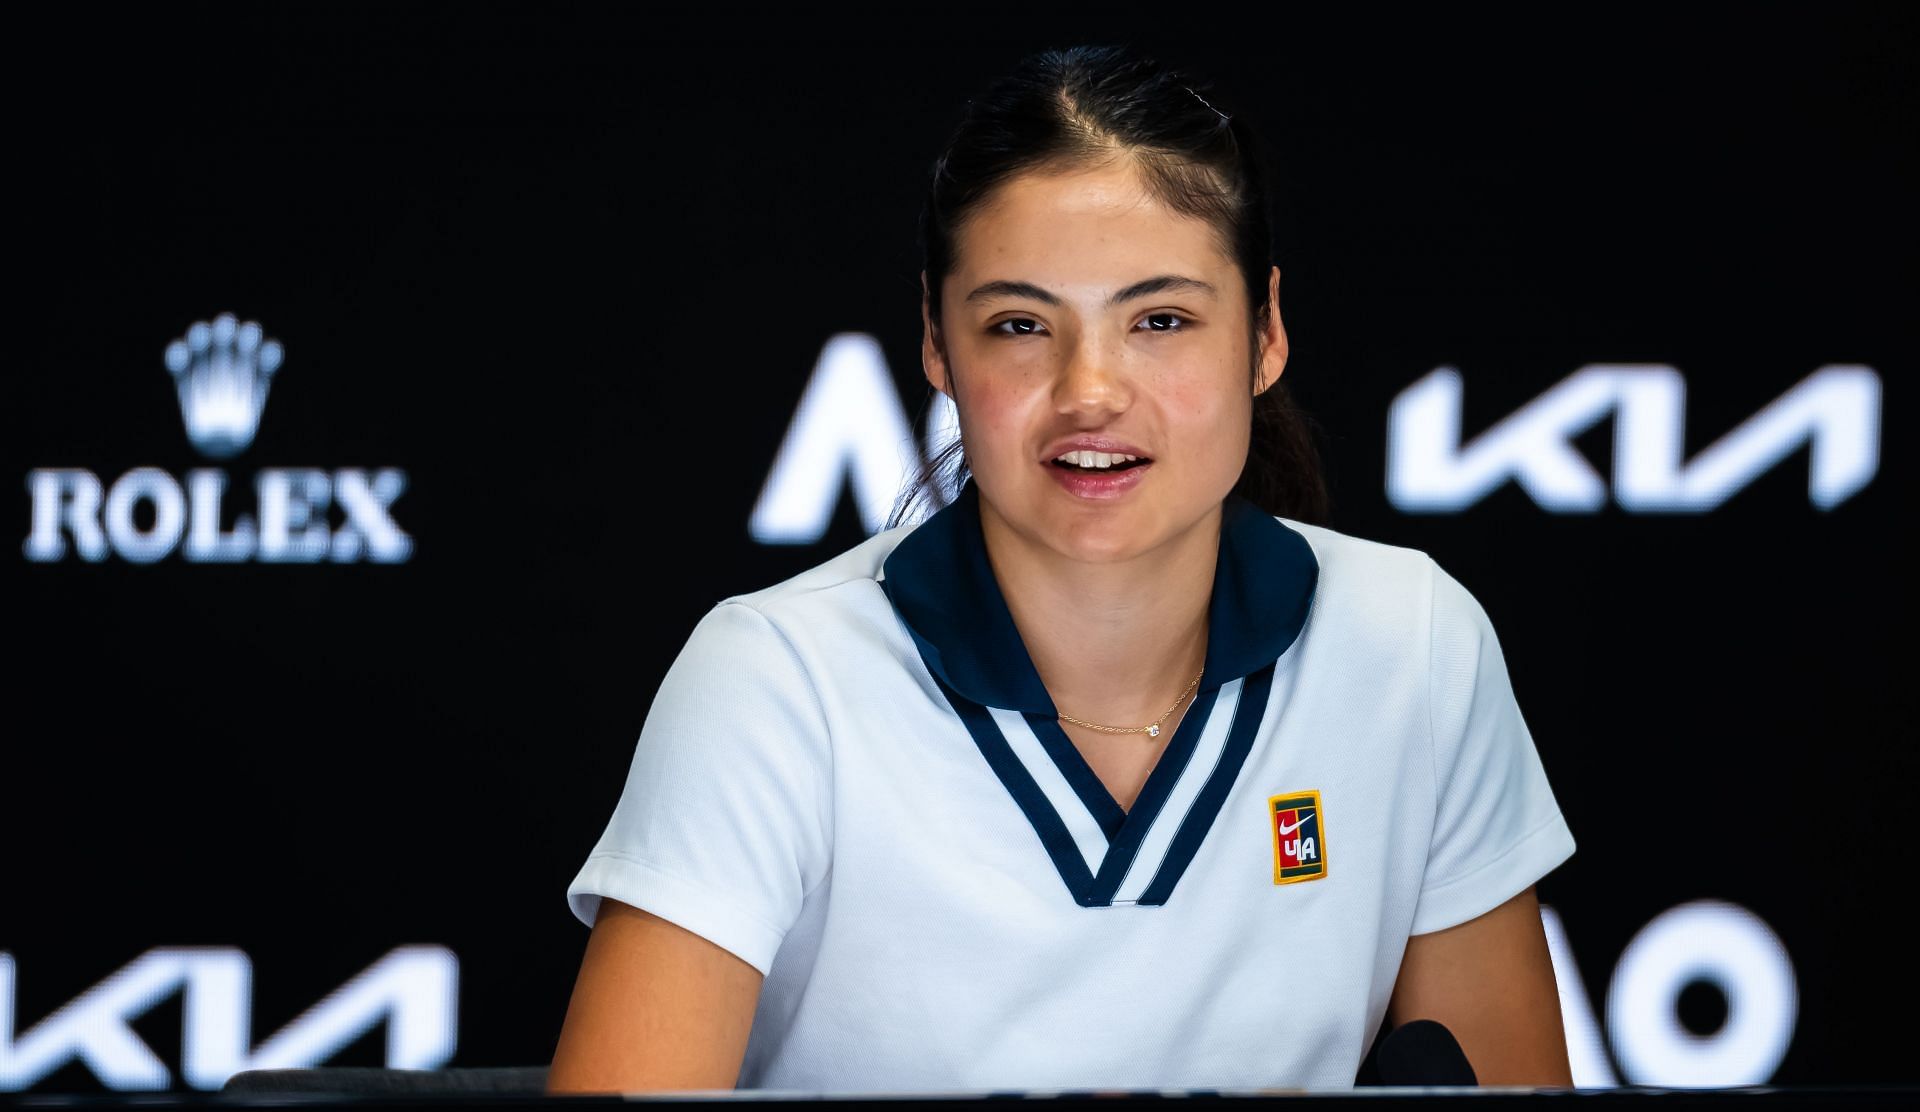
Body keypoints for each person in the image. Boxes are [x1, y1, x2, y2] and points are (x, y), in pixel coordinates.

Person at [548, 44, 1576, 1094]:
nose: (1090, 391)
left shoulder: (1415, 644)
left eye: (1160, 320)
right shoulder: (776, 680)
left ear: (1264, 333)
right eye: (1020, 325)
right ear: (938, 347)